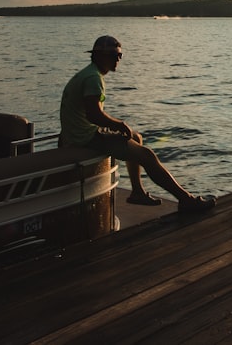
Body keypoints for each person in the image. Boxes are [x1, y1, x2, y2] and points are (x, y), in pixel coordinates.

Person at [60, 35, 215, 214]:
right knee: (147, 156)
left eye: (120, 55)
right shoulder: (93, 78)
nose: (118, 59)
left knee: (136, 137)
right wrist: (119, 124)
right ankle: (186, 200)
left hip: (79, 132)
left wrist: (118, 128)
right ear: (100, 56)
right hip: (84, 137)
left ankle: (137, 192)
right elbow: (94, 115)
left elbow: (90, 115)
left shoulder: (89, 73)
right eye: (113, 55)